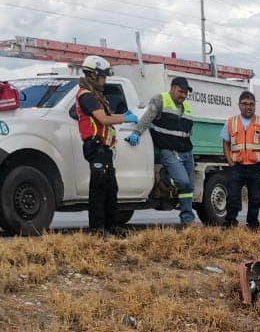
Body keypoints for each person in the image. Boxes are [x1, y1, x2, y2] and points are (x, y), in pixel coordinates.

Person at [74, 55, 138, 235]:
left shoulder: (96, 95)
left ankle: (112, 226)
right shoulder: (86, 96)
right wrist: (126, 118)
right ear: (94, 75)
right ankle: (97, 229)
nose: (105, 80)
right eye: (103, 76)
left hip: (104, 148)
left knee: (111, 187)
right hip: (96, 147)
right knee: (99, 187)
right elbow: (103, 119)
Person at [128, 75, 196, 227]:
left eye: (185, 93)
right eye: (180, 92)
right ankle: (164, 176)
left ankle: (187, 219)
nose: (183, 96)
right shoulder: (160, 100)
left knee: (189, 187)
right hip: (168, 150)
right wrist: (136, 133)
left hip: (186, 152)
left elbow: (188, 131)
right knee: (182, 181)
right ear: (172, 88)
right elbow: (147, 118)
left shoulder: (187, 107)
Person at [222, 91, 260, 229]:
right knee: (232, 196)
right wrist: (230, 162)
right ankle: (230, 222)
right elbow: (225, 143)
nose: (248, 107)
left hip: (257, 167)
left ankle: (252, 224)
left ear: (255, 106)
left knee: (255, 199)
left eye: (251, 104)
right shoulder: (231, 122)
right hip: (237, 167)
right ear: (239, 105)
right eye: (244, 104)